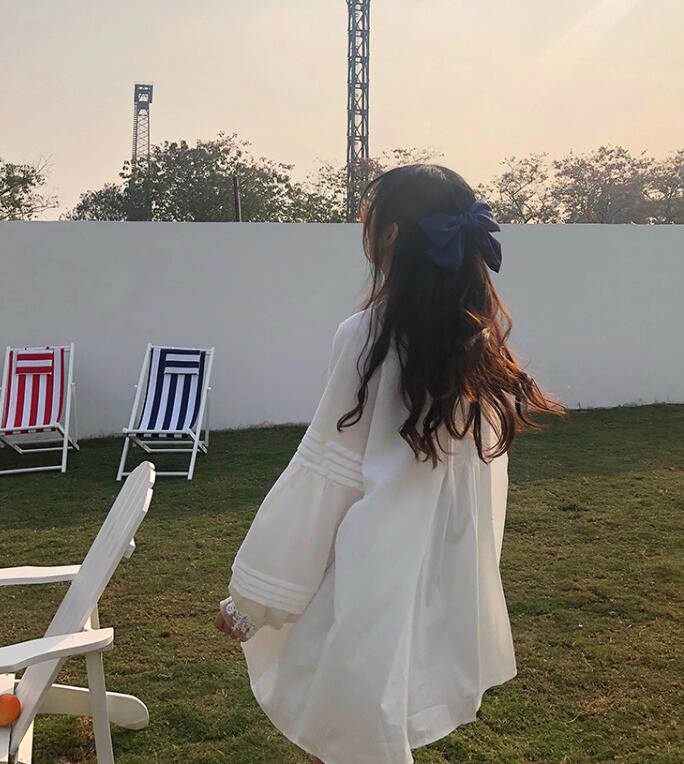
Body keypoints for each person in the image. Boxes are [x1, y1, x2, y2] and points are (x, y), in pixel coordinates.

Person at [215, 164, 563, 764]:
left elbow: (325, 473)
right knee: (363, 725)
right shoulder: (481, 343)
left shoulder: (367, 337)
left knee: (342, 724)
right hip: (440, 576)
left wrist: (257, 596)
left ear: (393, 235)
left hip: (367, 568)